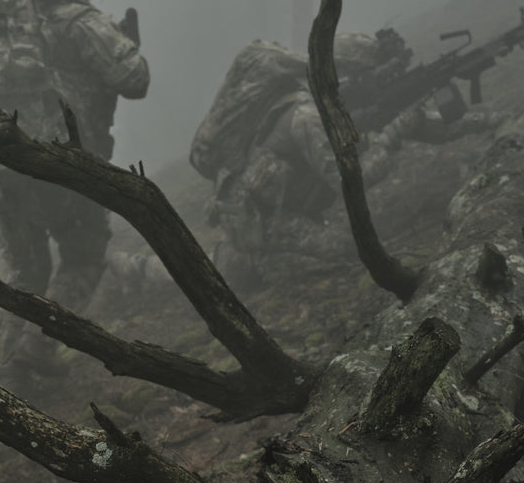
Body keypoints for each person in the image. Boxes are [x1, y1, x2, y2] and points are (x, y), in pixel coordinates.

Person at [190, 30, 497, 292]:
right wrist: (393, 134)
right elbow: (350, 183)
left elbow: (423, 125)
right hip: (261, 216)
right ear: (344, 77)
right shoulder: (307, 118)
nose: (379, 80)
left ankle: (229, 257)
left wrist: (487, 121)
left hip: (282, 204)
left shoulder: (338, 106)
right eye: (372, 75)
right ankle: (185, 264)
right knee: (345, 250)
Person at [0, 0, 149, 383]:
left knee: (25, 270)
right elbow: (134, 79)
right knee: (83, 255)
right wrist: (127, 42)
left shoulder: (0, 26)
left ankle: (2, 375)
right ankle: (33, 355)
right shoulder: (76, 18)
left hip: (0, 164)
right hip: (62, 167)